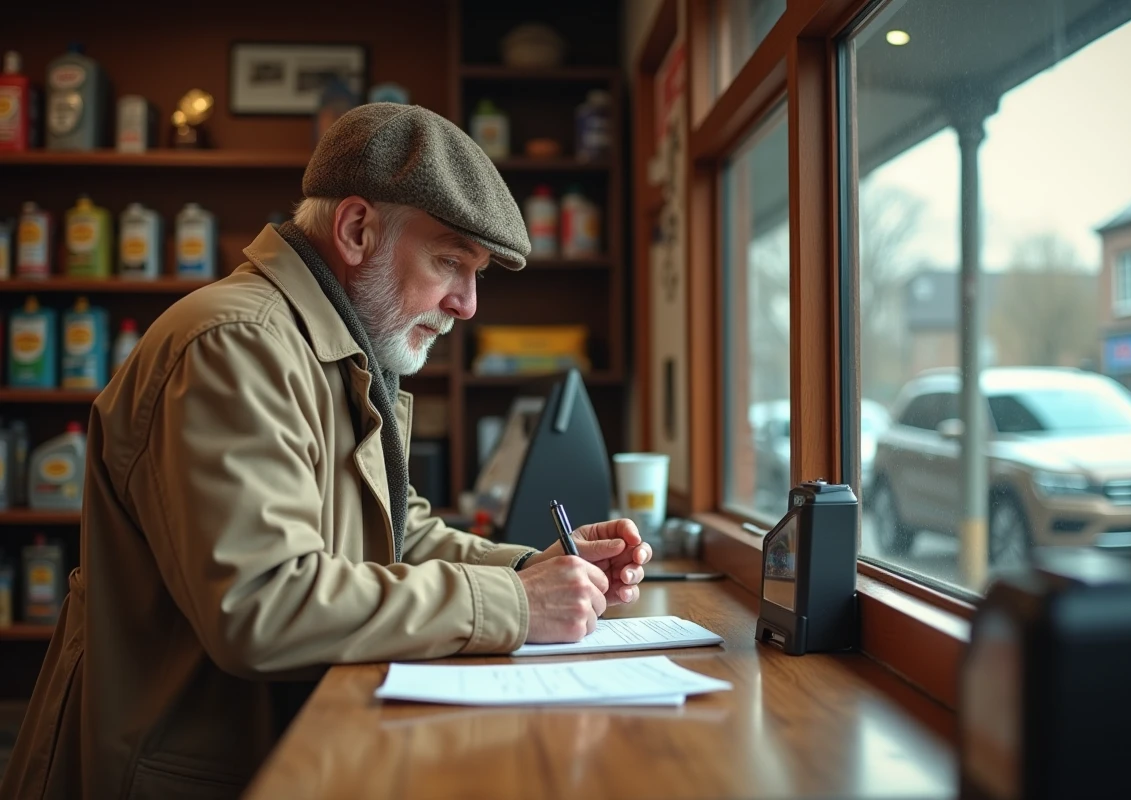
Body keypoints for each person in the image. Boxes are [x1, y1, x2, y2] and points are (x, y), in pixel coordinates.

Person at [1, 104, 652, 799]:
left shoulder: (338, 349)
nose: (466, 305)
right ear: (357, 229)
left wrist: (540, 568)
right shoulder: (235, 346)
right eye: (449, 262)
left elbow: (399, 532)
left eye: (477, 274)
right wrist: (514, 604)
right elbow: (260, 602)